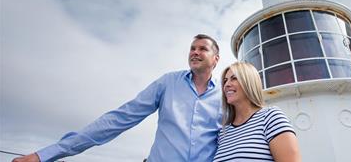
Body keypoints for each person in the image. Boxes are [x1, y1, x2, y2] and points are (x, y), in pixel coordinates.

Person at [13, 34, 222, 162]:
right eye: (192, 48)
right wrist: (45, 155)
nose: (194, 52)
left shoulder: (226, 97)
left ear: (216, 59)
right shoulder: (168, 83)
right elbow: (119, 119)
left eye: (202, 49)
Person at [213, 62, 301, 162]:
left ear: (249, 82)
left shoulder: (270, 117)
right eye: (225, 80)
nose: (227, 85)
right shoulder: (223, 132)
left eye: (234, 78)